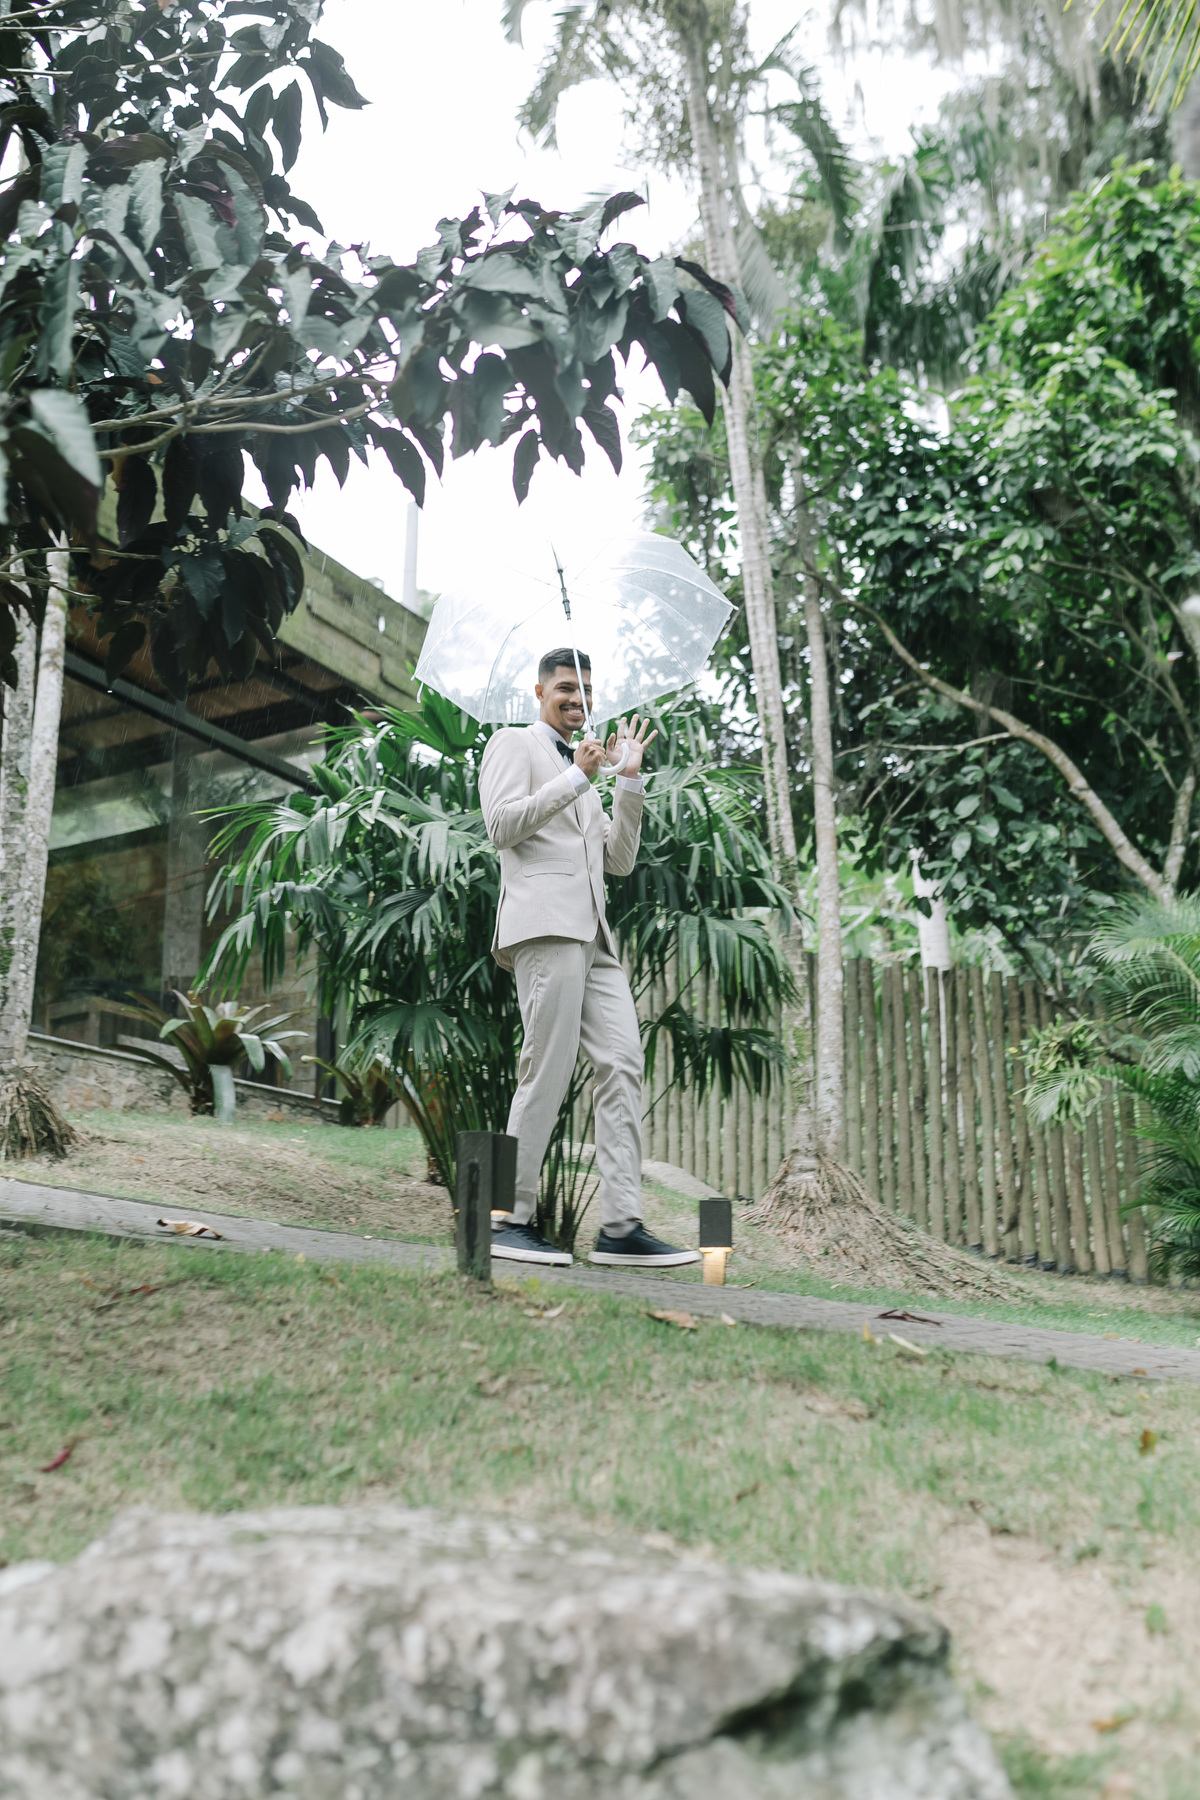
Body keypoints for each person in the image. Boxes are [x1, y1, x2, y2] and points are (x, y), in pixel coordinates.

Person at [478, 649, 700, 1270]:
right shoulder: (513, 744)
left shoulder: (592, 772)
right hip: (544, 929)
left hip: (596, 939)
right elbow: (501, 826)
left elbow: (619, 860)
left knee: (623, 1062)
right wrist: (576, 776)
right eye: (565, 690)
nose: (578, 701)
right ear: (540, 692)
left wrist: (626, 780)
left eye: (586, 692)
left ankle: (621, 1228)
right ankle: (505, 1218)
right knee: (544, 1068)